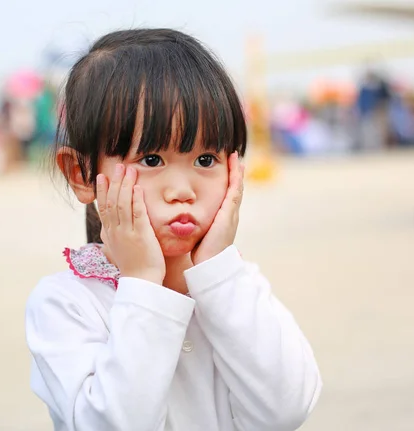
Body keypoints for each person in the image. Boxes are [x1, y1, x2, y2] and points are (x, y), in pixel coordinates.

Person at [25, 29, 322, 431]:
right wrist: (144, 283)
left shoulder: (233, 286)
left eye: (205, 159)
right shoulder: (66, 303)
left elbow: (285, 410)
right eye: (150, 159)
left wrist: (218, 271)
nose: (182, 191)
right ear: (81, 173)